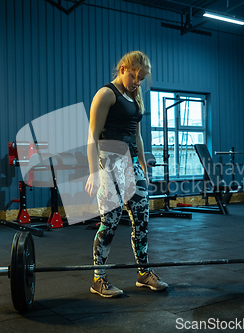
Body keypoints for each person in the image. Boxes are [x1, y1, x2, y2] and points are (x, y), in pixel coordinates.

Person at [85, 51, 169, 298]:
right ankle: (98, 279)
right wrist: (93, 172)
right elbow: (92, 136)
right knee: (109, 222)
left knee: (142, 218)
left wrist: (142, 164)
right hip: (109, 162)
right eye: (134, 76)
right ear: (123, 69)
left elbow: (137, 135)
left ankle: (143, 273)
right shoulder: (106, 94)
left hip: (131, 163)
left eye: (141, 78)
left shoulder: (135, 97)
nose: (137, 82)